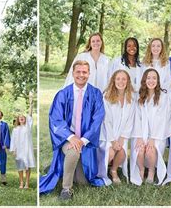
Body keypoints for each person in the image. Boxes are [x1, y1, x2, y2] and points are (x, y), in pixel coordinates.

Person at [39, 60, 105, 200]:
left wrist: (83, 140)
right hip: (67, 139)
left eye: (84, 72)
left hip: (86, 140)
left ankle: (62, 168)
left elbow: (97, 119)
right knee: (73, 152)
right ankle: (66, 189)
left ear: (89, 73)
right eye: (78, 72)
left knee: (83, 181)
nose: (81, 75)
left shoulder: (96, 94)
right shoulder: (63, 94)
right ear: (73, 73)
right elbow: (56, 119)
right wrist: (71, 137)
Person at [130, 69, 171, 186]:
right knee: (140, 149)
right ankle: (141, 170)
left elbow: (163, 120)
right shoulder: (139, 96)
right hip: (140, 133)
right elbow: (137, 118)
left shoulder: (163, 97)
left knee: (150, 150)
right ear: (144, 80)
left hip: (157, 135)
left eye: (154, 78)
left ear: (158, 80)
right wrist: (140, 137)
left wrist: (152, 138)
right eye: (148, 78)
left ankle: (151, 171)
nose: (151, 80)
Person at [98, 70, 136, 185]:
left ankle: (113, 170)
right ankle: (100, 172)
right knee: (109, 153)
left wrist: (122, 138)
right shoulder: (107, 96)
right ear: (113, 80)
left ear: (128, 81)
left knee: (122, 153)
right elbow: (106, 121)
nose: (121, 81)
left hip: (121, 135)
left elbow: (130, 120)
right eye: (118, 79)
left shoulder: (131, 98)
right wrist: (113, 140)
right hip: (107, 135)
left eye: (124, 79)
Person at [10, 92, 36, 189]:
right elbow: (13, 140)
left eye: (23, 117)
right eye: (20, 117)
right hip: (19, 149)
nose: (21, 118)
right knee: (20, 166)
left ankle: (27, 183)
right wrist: (13, 150)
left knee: (27, 166)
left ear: (25, 120)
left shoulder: (27, 127)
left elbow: (30, 113)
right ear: (18, 119)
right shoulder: (15, 129)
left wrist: (31, 102)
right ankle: (21, 182)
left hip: (27, 149)